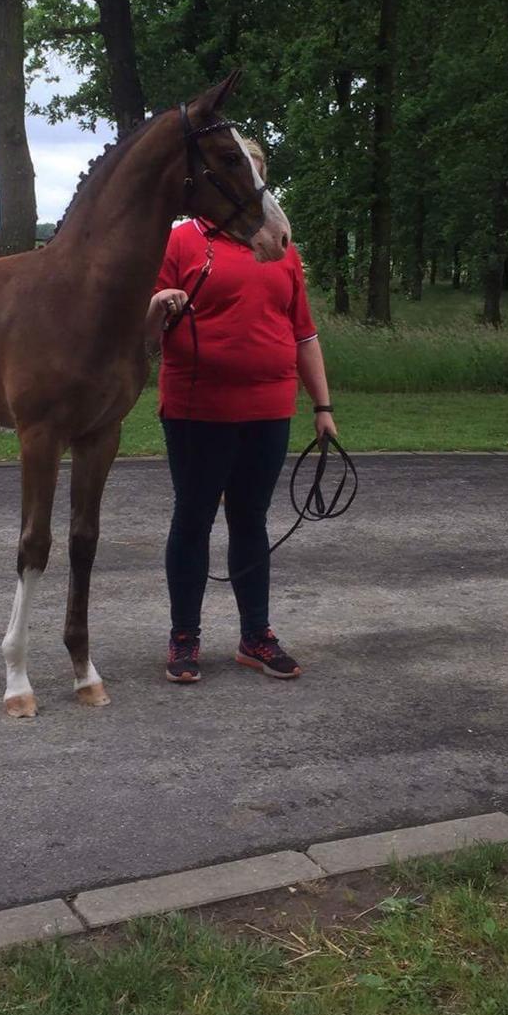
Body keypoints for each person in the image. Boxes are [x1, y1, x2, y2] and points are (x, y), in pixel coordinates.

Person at [146, 138, 338, 685]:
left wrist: (322, 405)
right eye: (239, 168)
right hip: (195, 408)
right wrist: (160, 305)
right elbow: (147, 325)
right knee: (193, 518)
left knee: (250, 518)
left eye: (256, 169)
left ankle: (256, 635)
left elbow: (304, 332)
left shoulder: (281, 248)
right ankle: (185, 636)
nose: (248, 179)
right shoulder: (184, 241)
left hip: (269, 406)